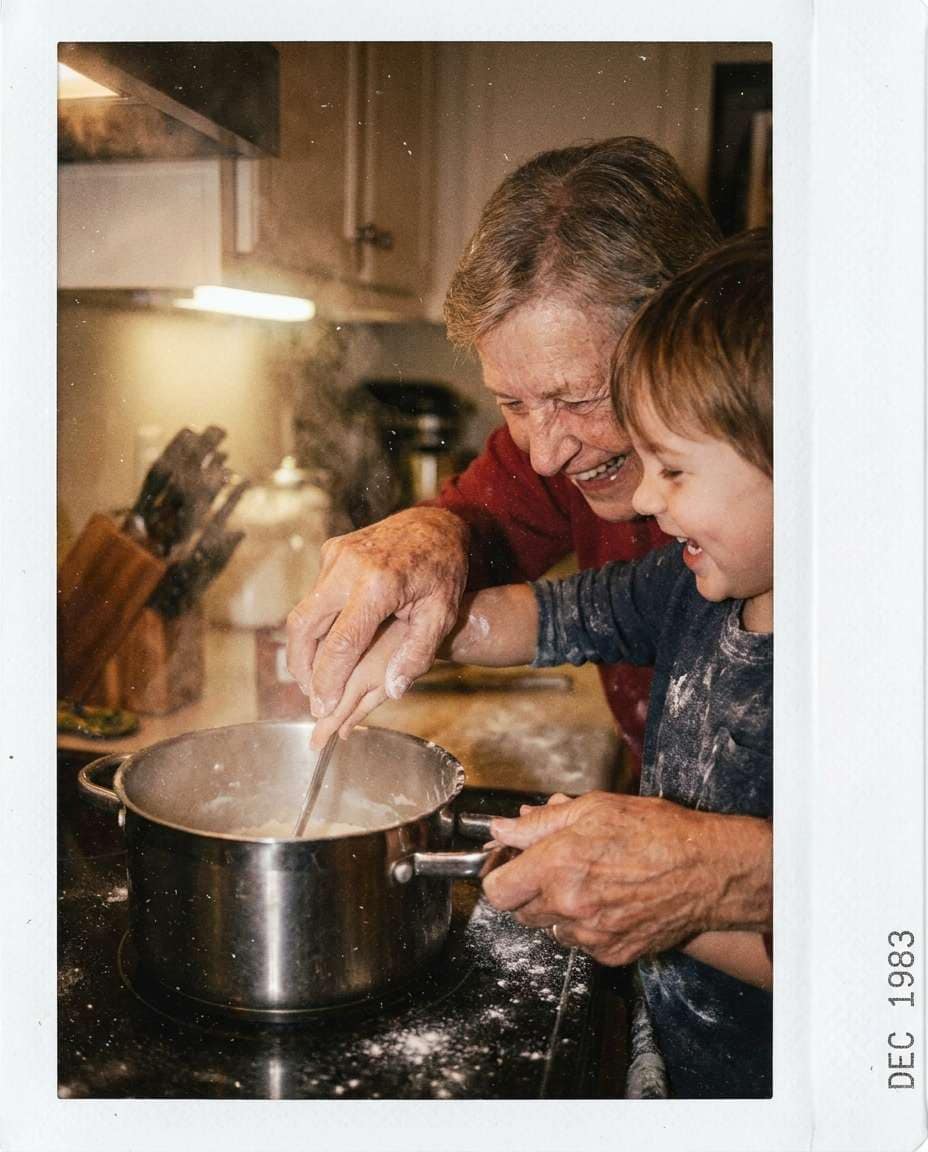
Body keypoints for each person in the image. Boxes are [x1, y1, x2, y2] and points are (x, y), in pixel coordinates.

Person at [287, 137, 771, 1021]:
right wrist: (417, 556)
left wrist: (722, 882)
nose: (543, 451)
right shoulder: (568, 457)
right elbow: (482, 541)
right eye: (513, 404)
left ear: (688, 343)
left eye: (581, 399)